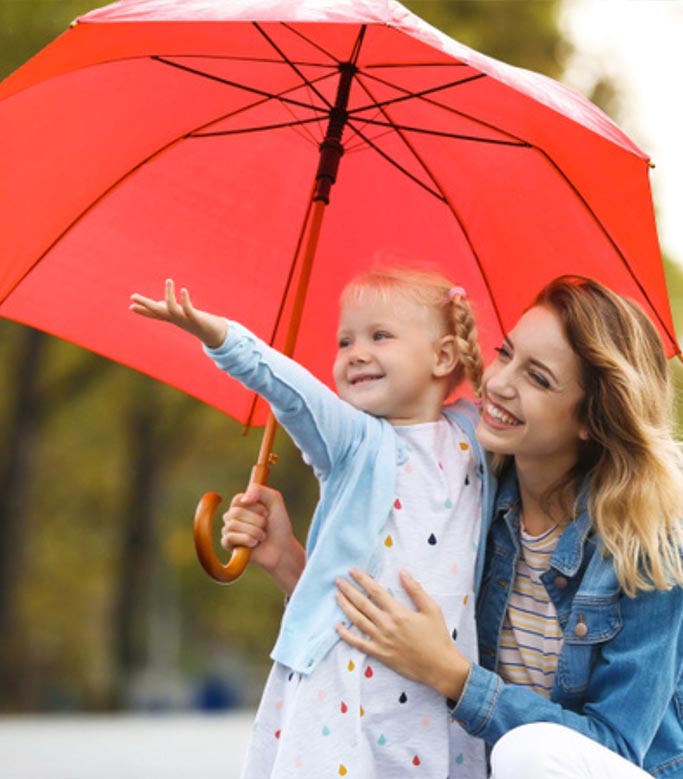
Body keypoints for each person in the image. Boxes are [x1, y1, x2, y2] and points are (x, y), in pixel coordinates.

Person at [226, 276, 683, 779]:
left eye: (538, 378)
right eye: (505, 354)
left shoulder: (647, 547)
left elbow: (617, 748)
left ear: (592, 419)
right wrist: (288, 560)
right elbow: (394, 627)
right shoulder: (469, 490)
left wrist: (454, 676)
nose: (499, 383)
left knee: (527, 752)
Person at [130, 266, 495, 778]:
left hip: (435, 693)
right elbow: (293, 391)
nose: (355, 353)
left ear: (443, 356)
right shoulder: (354, 440)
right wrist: (220, 336)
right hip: (347, 685)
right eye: (345, 341)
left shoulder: (473, 434)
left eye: (380, 336)